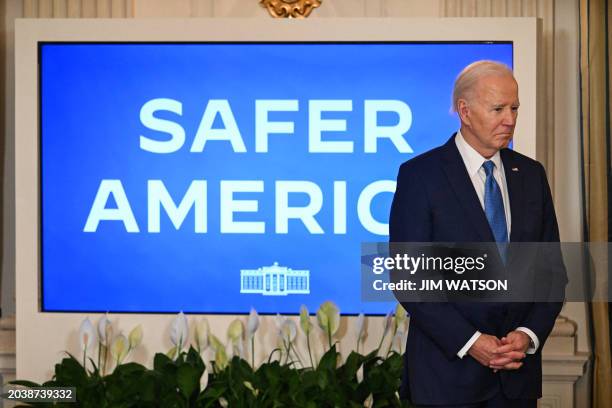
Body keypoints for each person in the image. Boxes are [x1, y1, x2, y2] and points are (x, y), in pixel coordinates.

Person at [389, 60, 565, 407]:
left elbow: (551, 273)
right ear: (465, 112)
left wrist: (527, 335)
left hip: (516, 377)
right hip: (446, 379)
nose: (510, 119)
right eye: (498, 108)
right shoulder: (420, 176)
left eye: (514, 107)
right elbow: (409, 279)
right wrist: (472, 342)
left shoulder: (530, 175)